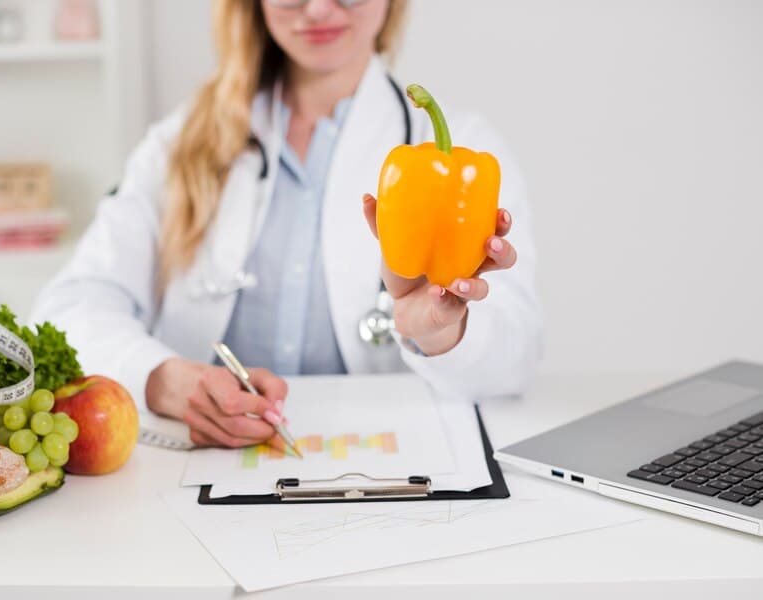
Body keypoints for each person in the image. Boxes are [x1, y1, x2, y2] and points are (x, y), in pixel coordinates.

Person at [31, 0, 541, 449]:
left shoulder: (467, 157)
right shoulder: (178, 143)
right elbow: (71, 305)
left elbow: (515, 362)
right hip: (204, 479)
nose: (318, 8)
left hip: (387, 470)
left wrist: (442, 332)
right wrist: (163, 379)